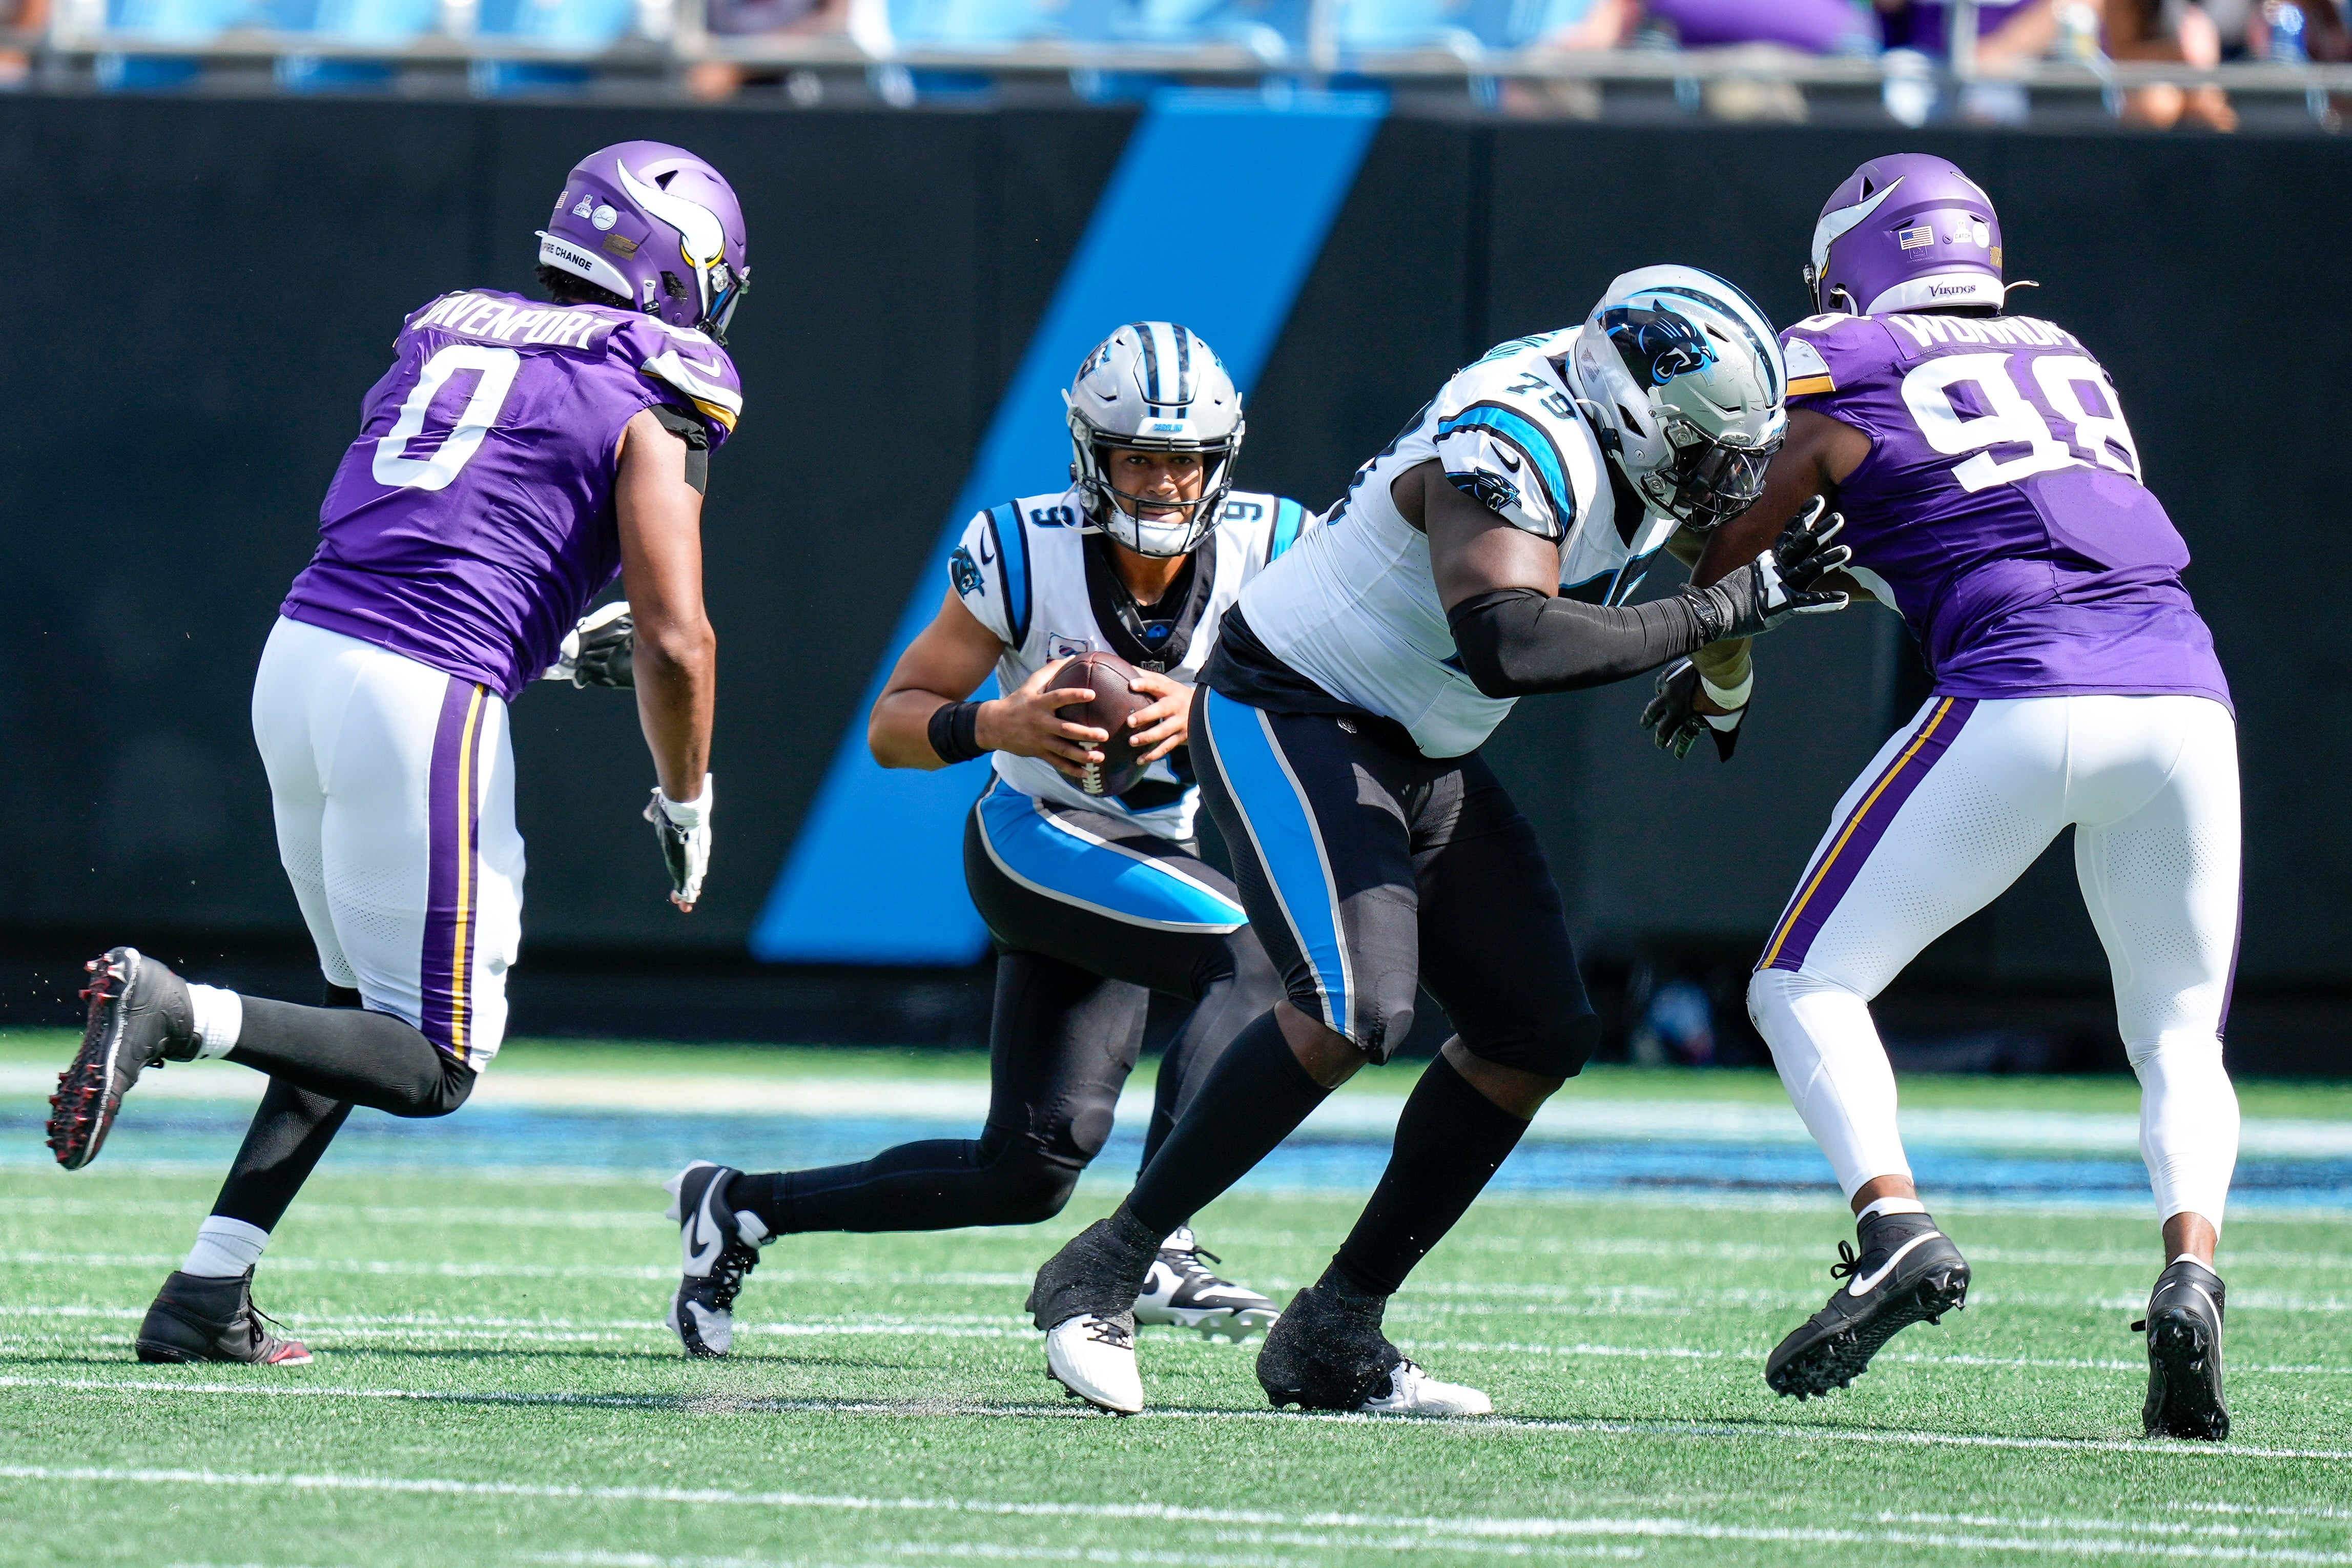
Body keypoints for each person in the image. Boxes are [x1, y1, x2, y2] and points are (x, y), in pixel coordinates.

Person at [1025, 267, 1858, 1417]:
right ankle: (1107, 1264)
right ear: (1629, 408)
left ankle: (1336, 1329)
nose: (1729, 479)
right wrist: (1721, 612)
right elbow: (1509, 640)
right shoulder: (1512, 443)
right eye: (1712, 451)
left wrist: (1726, 658)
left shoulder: (1630, 410)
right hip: (1294, 706)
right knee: (1354, 1007)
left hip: (1420, 741)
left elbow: (1685, 557)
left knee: (1537, 1030)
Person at [43, 140, 749, 1367]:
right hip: (419, 691)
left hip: (303, 656)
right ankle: (178, 1009)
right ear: (676, 267)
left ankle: (208, 1289)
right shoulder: (662, 370)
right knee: (434, 1064)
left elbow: (443, 531)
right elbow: (679, 637)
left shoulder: (451, 328)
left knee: (354, 1011)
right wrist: (687, 797)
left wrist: (541, 647)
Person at [1685, 154, 2239, 1440]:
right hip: (2187, 697)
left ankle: (1894, 1225)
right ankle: (2192, 1272)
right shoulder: (2070, 352)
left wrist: (1722, 667)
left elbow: (1728, 555)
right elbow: (1997, 515)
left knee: (1801, 984)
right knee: (2176, 1036)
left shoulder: (1831, 354)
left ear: (1852, 264)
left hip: (2026, 688)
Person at [663, 323, 1305, 1358]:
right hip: (1032, 840)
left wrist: (1202, 711)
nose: (1160, 488)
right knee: (1257, 955)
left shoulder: (1273, 548)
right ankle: (1163, 1239)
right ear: (1091, 457)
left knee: (1029, 1170)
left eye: (1183, 465)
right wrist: (994, 723)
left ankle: (738, 1206)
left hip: (1146, 861)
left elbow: (1321, 703)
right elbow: (894, 725)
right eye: (1138, 459)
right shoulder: (1024, 547)